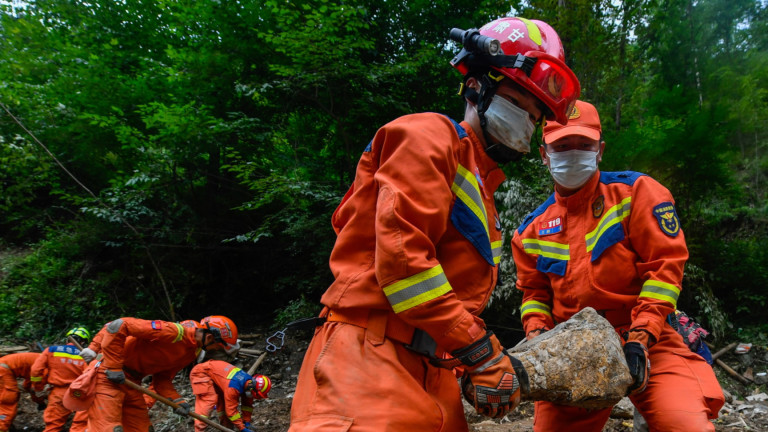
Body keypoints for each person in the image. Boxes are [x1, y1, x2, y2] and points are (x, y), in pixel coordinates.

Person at [289, 16, 580, 431]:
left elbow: (453, 298)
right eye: (520, 104)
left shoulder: (482, 188)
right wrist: (481, 352)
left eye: (535, 117)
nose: (527, 125)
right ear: (478, 86)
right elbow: (404, 264)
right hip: (368, 359)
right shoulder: (428, 135)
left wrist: (470, 368)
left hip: (434, 366)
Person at [510, 100, 725, 431]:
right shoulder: (530, 230)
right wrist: (539, 340)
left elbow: (665, 270)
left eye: (584, 144)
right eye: (562, 145)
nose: (573, 152)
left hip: (651, 336)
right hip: (573, 349)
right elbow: (534, 295)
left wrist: (641, 337)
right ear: (544, 153)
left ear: (600, 150)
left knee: (685, 425)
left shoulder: (636, 193)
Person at [84, 315, 239, 432]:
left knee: (143, 429)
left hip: (131, 382)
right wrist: (113, 365)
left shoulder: (190, 353)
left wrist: (177, 401)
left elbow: (162, 379)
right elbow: (119, 325)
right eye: (217, 348)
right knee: (107, 428)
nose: (216, 353)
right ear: (210, 337)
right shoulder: (172, 332)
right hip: (106, 375)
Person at [30, 327, 91, 432]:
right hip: (81, 394)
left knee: (53, 425)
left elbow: (36, 370)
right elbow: (90, 376)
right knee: (80, 425)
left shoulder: (51, 350)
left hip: (59, 393)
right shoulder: (87, 357)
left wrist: (38, 387)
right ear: (83, 342)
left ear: (68, 339)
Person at [189, 359, 271, 432]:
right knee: (209, 400)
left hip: (216, 375)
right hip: (201, 373)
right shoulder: (233, 387)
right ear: (253, 388)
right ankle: (199, 429)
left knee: (223, 403)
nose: (254, 397)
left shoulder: (249, 383)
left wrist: (247, 422)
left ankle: (226, 428)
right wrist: (242, 428)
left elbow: (247, 405)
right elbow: (231, 411)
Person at [0, 352, 42, 431]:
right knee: (9, 398)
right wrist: (40, 400)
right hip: (3, 370)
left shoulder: (40, 360)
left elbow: (28, 385)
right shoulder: (45, 366)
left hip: (4, 368)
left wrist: (38, 400)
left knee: (3, 398)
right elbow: (36, 387)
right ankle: (1, 426)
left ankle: (4, 423)